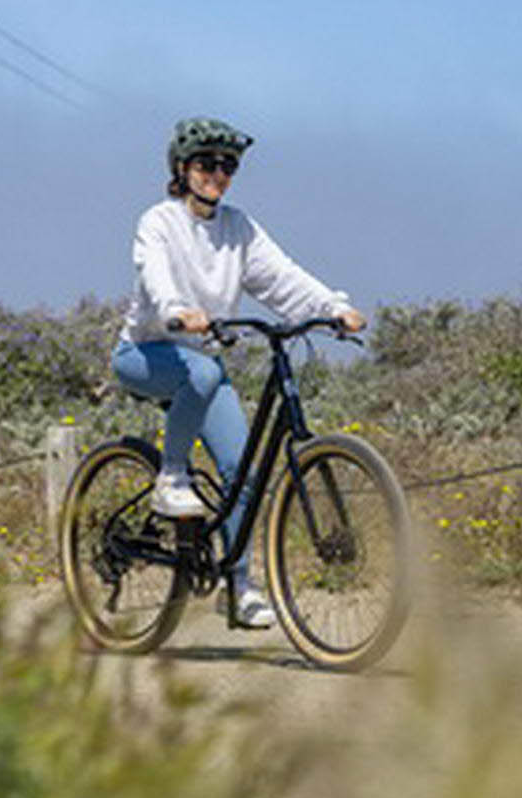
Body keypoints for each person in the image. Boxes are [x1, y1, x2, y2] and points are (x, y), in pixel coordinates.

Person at [111, 117, 366, 628]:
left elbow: (282, 278)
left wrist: (333, 307)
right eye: (206, 164)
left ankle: (240, 587)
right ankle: (171, 477)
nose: (218, 174)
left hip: (201, 363)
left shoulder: (238, 228)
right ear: (182, 169)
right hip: (145, 353)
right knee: (204, 374)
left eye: (227, 166)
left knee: (240, 472)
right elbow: (155, 276)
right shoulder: (158, 222)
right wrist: (177, 311)